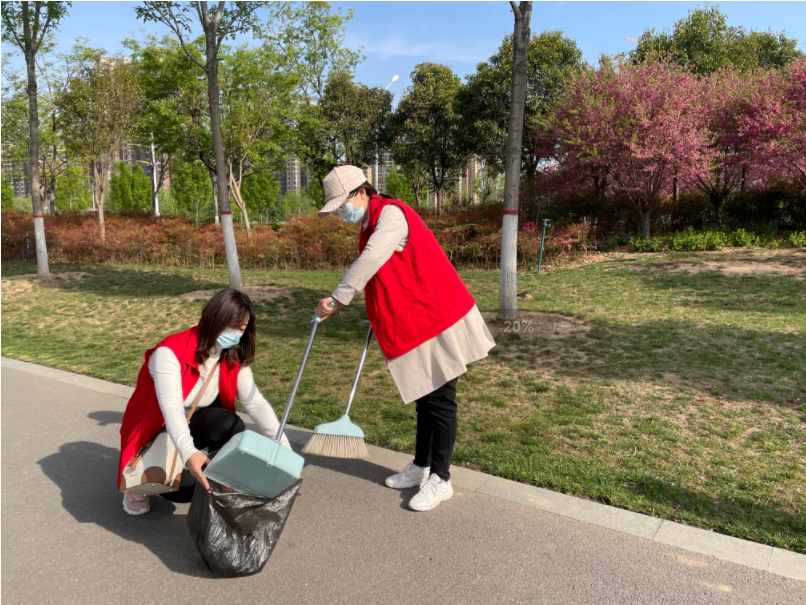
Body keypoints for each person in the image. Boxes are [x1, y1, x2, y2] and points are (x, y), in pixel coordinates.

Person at [315, 165, 496, 512]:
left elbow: (371, 260)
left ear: (362, 192)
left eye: (342, 204)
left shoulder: (392, 215)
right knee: (424, 395)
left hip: (436, 314)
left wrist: (337, 297)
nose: (342, 213)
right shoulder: (370, 221)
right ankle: (421, 465)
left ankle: (441, 479)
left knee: (441, 398)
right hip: (415, 317)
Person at [117, 289, 291, 515]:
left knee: (230, 424)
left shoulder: (233, 356)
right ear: (212, 319)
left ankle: (217, 479)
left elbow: (255, 403)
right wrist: (190, 454)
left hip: (194, 421)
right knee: (184, 489)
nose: (236, 334)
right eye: (231, 325)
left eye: (241, 328)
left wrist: (285, 452)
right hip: (156, 427)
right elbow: (171, 409)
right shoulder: (169, 353)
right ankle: (137, 484)